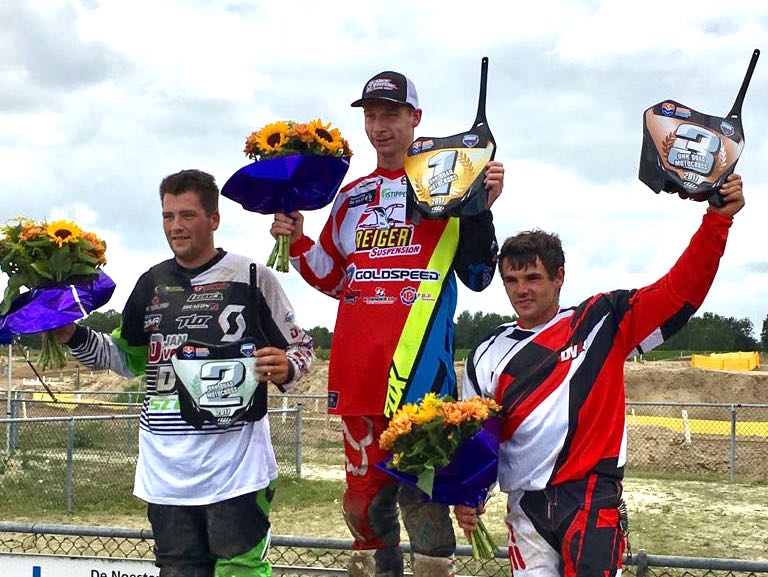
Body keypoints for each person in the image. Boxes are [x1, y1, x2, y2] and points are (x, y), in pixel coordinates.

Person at [270, 71, 504, 576]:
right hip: (358, 378)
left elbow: (480, 277)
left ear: (415, 117)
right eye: (371, 115)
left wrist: (481, 209)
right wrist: (299, 240)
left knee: (426, 511)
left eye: (391, 114)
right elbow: (336, 279)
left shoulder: (449, 186)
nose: (380, 126)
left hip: (421, 382)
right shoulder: (351, 197)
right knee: (363, 509)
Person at [454, 174, 745, 576]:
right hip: (525, 509)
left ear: (559, 276)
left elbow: (679, 292)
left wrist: (718, 220)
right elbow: (478, 439)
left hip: (590, 499)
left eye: (533, 278)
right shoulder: (485, 353)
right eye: (512, 280)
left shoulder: (601, 321)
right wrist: (468, 495)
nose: (522, 290)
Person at [54, 169, 314, 577]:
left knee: (241, 570)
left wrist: (286, 367)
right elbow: (125, 358)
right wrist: (71, 335)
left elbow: (302, 349)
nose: (176, 226)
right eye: (168, 216)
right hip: (166, 471)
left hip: (236, 469)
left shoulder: (251, 276)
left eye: (188, 215)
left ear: (214, 219)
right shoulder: (151, 283)